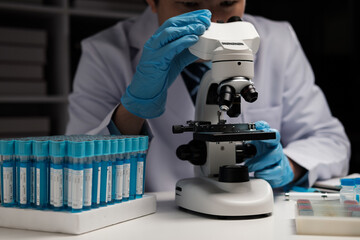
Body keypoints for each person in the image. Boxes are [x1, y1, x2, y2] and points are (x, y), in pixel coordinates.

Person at [66, 0, 351, 192]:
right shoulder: (104, 52)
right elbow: (74, 173)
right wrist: (133, 110)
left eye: (227, 2)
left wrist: (286, 166)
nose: (212, 20)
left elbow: (331, 141)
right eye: (190, 4)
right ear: (151, 0)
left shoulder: (278, 39)